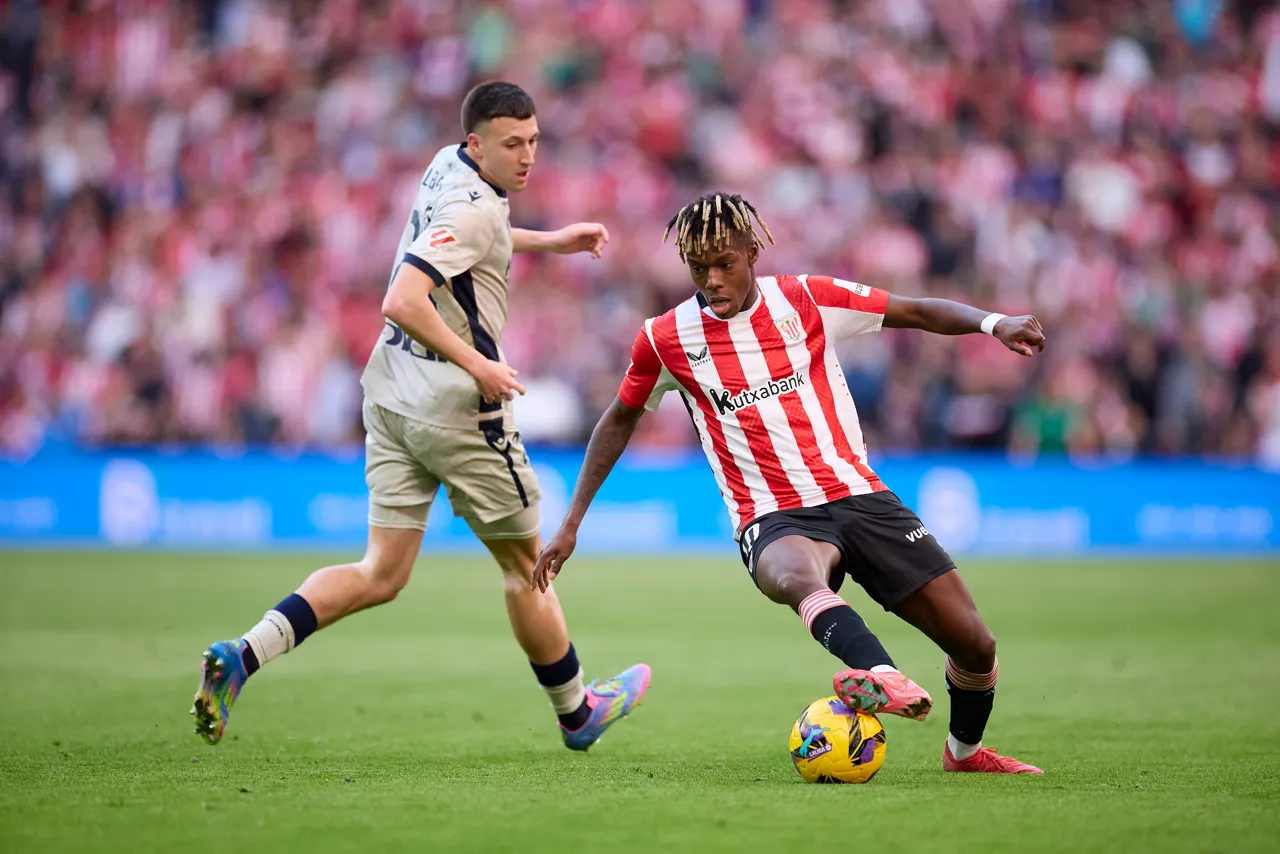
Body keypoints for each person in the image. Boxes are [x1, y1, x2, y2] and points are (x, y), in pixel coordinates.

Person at [191, 82, 649, 751]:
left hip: (391, 394)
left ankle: (243, 654)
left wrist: (552, 241)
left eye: (533, 142)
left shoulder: (448, 167)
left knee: (382, 572)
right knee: (526, 567)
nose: (527, 157)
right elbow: (402, 297)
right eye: (512, 144)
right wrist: (480, 365)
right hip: (456, 411)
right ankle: (577, 712)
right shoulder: (472, 208)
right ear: (477, 144)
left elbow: (472, 239)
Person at [532, 191, 1045, 773]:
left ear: (754, 253)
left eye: (725, 263)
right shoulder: (666, 338)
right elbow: (618, 420)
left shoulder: (805, 299)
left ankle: (965, 755)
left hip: (860, 495)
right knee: (797, 574)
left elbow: (917, 311)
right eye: (698, 268)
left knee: (975, 643)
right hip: (771, 515)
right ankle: (878, 674)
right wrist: (571, 522)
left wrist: (993, 322)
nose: (712, 280)